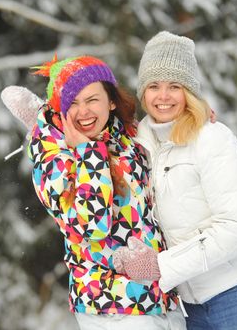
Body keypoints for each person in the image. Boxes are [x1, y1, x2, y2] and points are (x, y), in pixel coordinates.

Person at [112, 31, 237, 330]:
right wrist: (46, 122)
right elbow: (93, 137)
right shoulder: (142, 142)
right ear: (143, 93)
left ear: (189, 92)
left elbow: (236, 226)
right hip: (191, 305)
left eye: (174, 86)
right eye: (154, 86)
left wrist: (160, 266)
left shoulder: (212, 138)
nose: (163, 96)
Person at [19, 55, 186, 329]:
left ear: (110, 100)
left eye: (91, 100)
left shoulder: (126, 140)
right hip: (112, 306)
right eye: (72, 103)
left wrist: (196, 120)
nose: (83, 111)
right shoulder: (54, 160)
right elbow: (91, 226)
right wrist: (87, 152)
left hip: (160, 299)